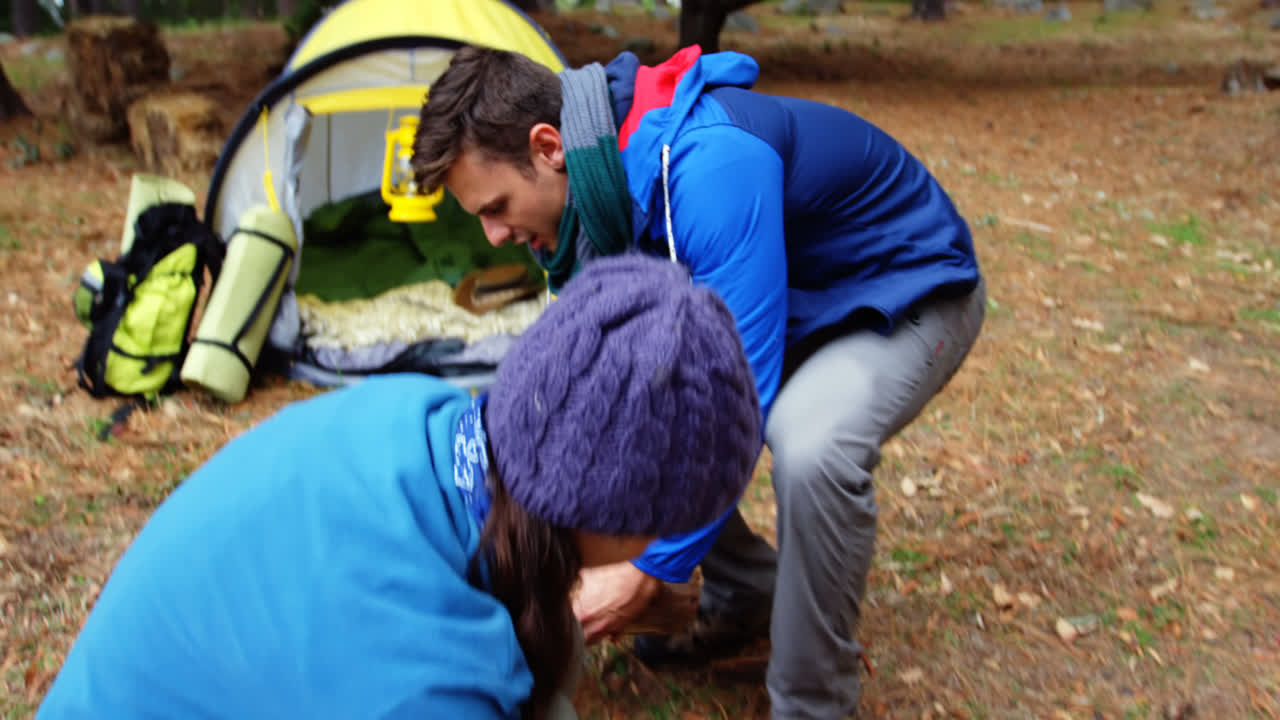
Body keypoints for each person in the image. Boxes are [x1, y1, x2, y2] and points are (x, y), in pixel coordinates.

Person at [411, 43, 986, 718]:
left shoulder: (707, 167)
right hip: (796, 304)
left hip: (900, 294)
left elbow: (736, 391)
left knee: (811, 447)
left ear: (548, 147)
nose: (495, 234)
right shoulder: (591, 201)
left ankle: (812, 701)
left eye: (497, 205)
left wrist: (647, 569)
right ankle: (745, 592)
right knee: (631, 411)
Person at [35, 255, 762, 720]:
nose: (667, 547)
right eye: (666, 523)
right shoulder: (425, 677)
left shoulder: (427, 418)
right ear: (601, 506)